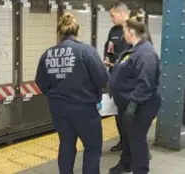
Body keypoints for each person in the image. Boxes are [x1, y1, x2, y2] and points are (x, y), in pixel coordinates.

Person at [35, 12, 109, 174]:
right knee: (92, 147)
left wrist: (55, 95)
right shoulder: (86, 52)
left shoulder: (47, 54)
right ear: (76, 31)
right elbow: (103, 79)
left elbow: (40, 82)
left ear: (59, 32)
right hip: (85, 110)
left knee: (67, 144)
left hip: (59, 110)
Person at [108, 16, 161, 174]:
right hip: (128, 103)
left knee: (137, 139)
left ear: (131, 32)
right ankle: (126, 163)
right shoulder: (133, 49)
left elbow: (145, 82)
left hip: (141, 104)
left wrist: (134, 103)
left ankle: (140, 169)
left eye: (124, 31)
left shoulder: (146, 53)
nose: (123, 34)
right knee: (128, 136)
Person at [103, 2, 130, 152]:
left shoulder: (136, 28)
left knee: (130, 114)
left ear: (121, 14)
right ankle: (123, 140)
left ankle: (132, 144)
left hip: (129, 81)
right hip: (116, 79)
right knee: (118, 114)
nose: (111, 19)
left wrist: (118, 65)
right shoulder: (113, 31)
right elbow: (109, 47)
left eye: (113, 16)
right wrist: (107, 58)